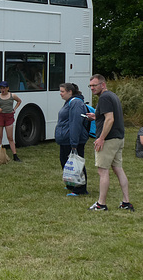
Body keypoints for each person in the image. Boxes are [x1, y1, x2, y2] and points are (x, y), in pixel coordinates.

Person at [86, 74, 134, 211]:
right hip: (119, 138)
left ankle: (101, 204)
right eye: (90, 86)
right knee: (118, 169)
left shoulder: (104, 97)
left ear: (103, 84)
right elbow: (107, 116)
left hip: (109, 139)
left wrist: (101, 138)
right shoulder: (112, 95)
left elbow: (110, 119)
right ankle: (126, 202)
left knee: (102, 171)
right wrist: (96, 116)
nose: (92, 88)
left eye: (94, 85)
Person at [55, 83, 89, 195]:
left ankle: (80, 188)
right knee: (66, 162)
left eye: (62, 91)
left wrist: (74, 143)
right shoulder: (69, 102)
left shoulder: (76, 103)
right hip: (65, 139)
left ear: (70, 92)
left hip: (72, 140)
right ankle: (71, 184)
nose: (60, 94)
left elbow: (76, 123)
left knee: (76, 164)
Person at [0, 81, 22, 161]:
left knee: (10, 137)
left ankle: (15, 155)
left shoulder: (12, 95)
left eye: (4, 88)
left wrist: (14, 109)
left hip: (9, 116)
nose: (2, 90)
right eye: (1, 88)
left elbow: (19, 101)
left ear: (7, 88)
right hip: (0, 117)